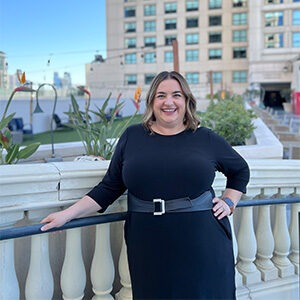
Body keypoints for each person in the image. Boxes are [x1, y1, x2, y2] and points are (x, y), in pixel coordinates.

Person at [41, 71, 250, 299]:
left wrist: (230, 200)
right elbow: (110, 187)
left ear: (187, 101)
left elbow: (240, 170)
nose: (168, 102)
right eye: (161, 95)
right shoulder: (132, 137)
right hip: (147, 241)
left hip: (202, 241)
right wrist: (67, 215)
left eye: (176, 95)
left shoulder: (206, 138)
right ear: (151, 101)